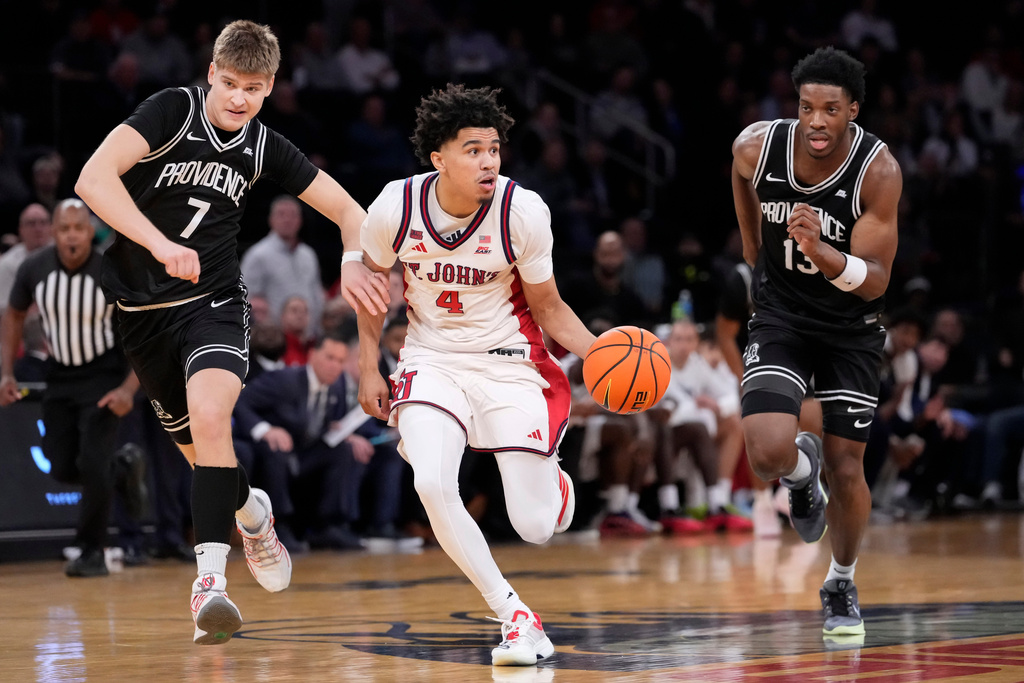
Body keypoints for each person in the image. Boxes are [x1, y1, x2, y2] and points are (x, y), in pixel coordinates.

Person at [74, 20, 389, 645]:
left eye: (253, 88)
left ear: (270, 87)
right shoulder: (170, 112)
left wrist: (352, 259)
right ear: (210, 74)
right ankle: (252, 514)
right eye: (229, 84)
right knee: (203, 459)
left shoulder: (264, 145)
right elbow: (92, 180)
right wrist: (160, 244)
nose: (238, 99)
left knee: (213, 420)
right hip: (141, 316)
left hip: (213, 302)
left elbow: (353, 212)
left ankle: (209, 584)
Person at [356, 83, 597, 666]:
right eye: (472, 150)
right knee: (434, 484)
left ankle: (555, 486)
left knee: (535, 526)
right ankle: (516, 617)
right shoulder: (395, 205)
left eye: (493, 148)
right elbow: (370, 294)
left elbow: (548, 307)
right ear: (438, 158)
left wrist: (600, 353)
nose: (488, 161)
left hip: (509, 361)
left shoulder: (523, 211)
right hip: (430, 358)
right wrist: (370, 366)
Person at [731, 46, 902, 638]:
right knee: (767, 454)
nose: (817, 122)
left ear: (852, 110)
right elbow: (738, 169)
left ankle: (841, 580)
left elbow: (876, 280)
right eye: (807, 108)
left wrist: (825, 253)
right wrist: (754, 254)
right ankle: (800, 476)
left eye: (831, 110)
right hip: (781, 317)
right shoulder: (759, 146)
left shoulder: (877, 171)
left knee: (848, 468)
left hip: (850, 330)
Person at [0, 198, 141, 577]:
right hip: (59, 375)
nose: (72, 236)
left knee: (93, 465)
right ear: (54, 233)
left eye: (79, 228)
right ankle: (121, 469)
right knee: (61, 466)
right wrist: (7, 373)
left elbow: (143, 334)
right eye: (65, 229)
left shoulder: (111, 270)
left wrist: (129, 388)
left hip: (103, 376)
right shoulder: (34, 268)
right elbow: (13, 314)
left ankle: (92, 550)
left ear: (90, 231)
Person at [240, 194, 326, 337]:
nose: (287, 219)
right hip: (273, 339)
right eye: (281, 214)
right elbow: (245, 298)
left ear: (300, 221)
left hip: (308, 338)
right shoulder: (258, 255)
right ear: (271, 220)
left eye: (293, 215)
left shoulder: (308, 255)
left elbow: (316, 294)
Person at [0, 203, 53, 316]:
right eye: (31, 223)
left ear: (51, 227)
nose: (38, 229)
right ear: (21, 230)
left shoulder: (66, 257)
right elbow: (3, 310)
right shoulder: (7, 264)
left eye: (43, 223)